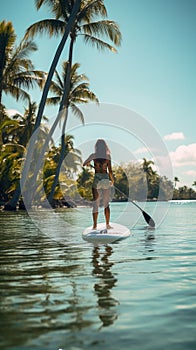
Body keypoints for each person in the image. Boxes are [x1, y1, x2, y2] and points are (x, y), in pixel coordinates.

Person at [83, 139, 114, 230]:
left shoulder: (93, 155)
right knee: (106, 204)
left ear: (96, 147)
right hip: (105, 180)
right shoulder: (108, 156)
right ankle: (107, 225)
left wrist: (88, 162)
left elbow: (84, 164)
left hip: (97, 180)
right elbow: (110, 171)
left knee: (95, 204)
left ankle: (95, 225)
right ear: (105, 147)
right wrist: (112, 181)